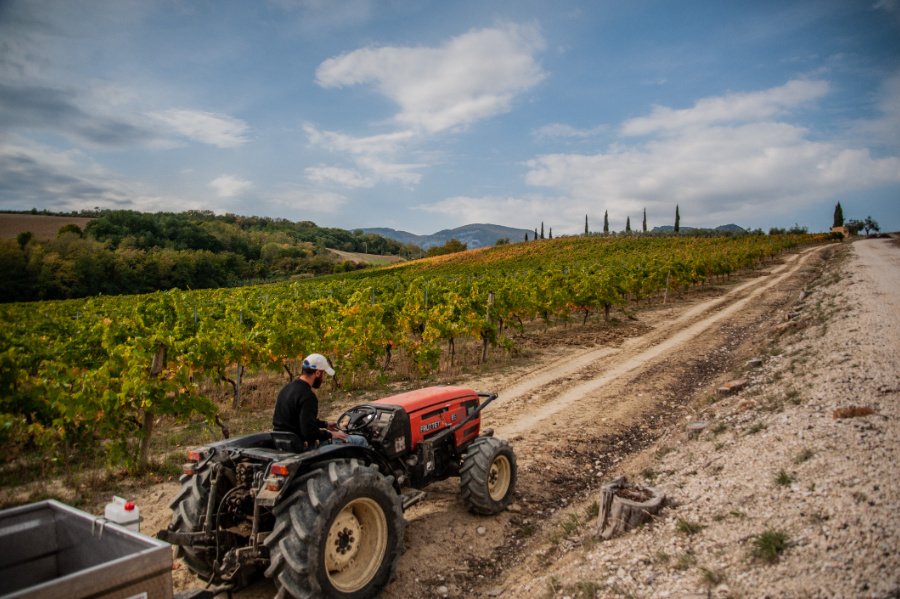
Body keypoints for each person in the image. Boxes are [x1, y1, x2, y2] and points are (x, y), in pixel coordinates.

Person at [272, 353, 366, 447]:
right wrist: (331, 434)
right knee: (360, 440)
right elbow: (309, 433)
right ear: (317, 373)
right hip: (301, 446)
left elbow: (300, 419)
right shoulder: (308, 396)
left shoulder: (287, 388)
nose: (323, 378)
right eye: (323, 374)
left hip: (283, 442)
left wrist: (325, 424)